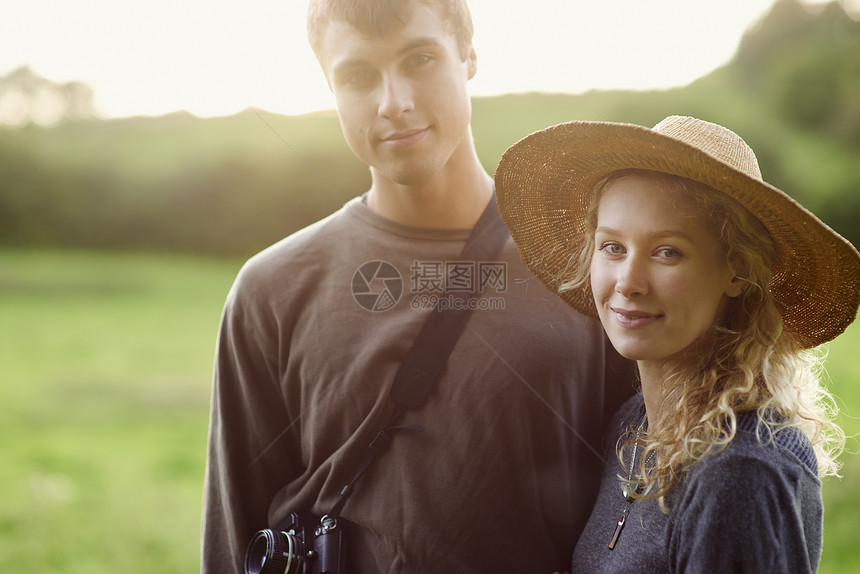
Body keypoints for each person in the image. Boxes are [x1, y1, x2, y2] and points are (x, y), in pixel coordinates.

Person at [200, 1, 634, 572]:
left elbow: (646, 511)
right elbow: (236, 541)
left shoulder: (592, 270)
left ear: (469, 56)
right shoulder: (270, 290)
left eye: (420, 58)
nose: (394, 102)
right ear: (327, 86)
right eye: (358, 76)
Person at [495, 115, 860, 573]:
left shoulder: (739, 471)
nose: (628, 282)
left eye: (667, 251)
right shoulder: (636, 423)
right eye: (612, 247)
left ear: (737, 270)